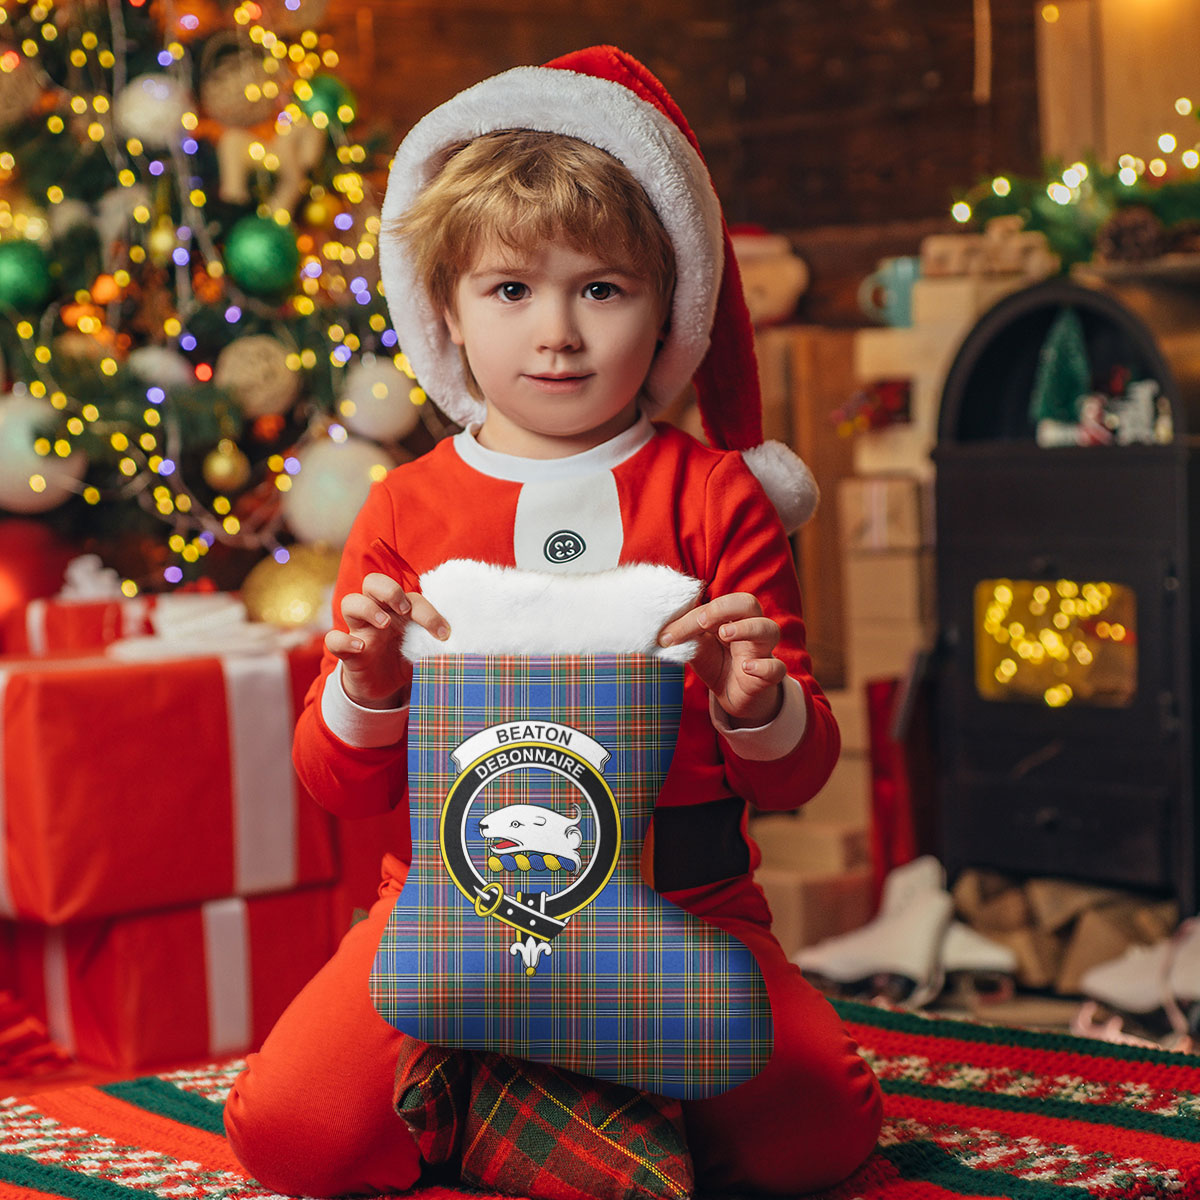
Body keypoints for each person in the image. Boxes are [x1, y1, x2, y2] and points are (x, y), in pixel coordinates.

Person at [224, 45, 882, 1197]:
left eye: (602, 288)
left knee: (817, 1136)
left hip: (686, 904)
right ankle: (536, 1086)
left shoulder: (716, 496)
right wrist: (369, 686)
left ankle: (534, 1086)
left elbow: (796, 779)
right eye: (512, 289)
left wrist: (760, 705)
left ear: (665, 303)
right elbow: (339, 785)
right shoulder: (407, 504)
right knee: (292, 1135)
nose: (558, 334)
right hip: (449, 903)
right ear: (446, 310)